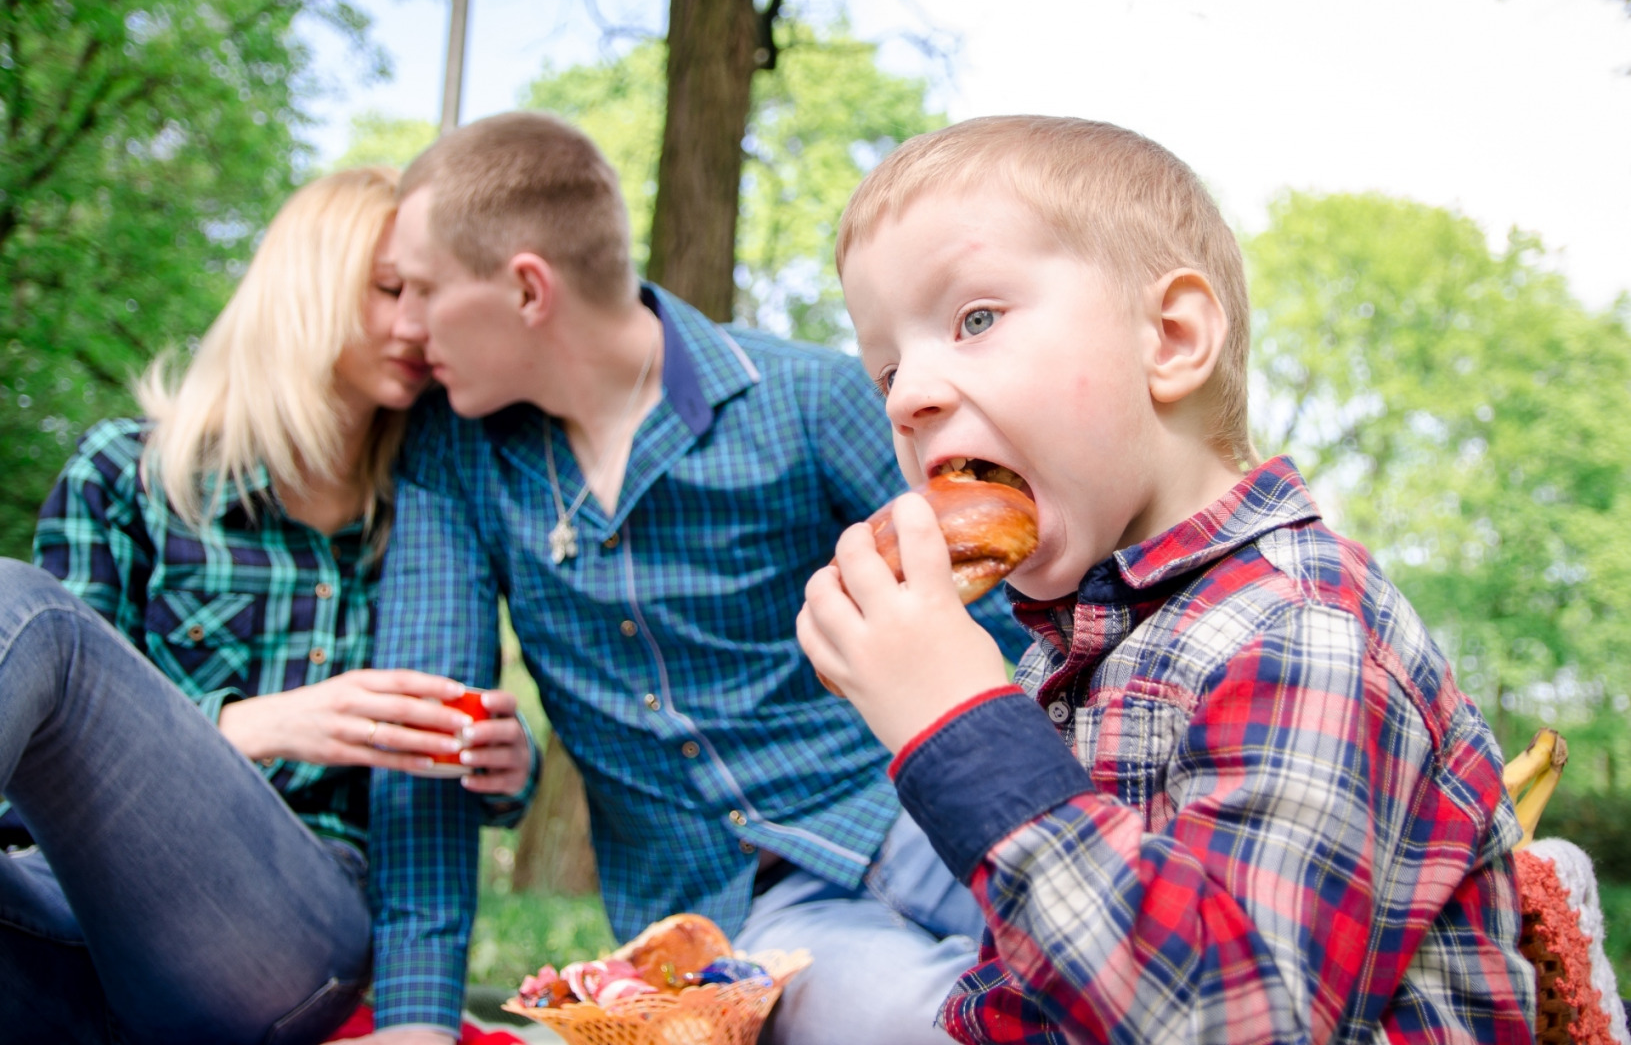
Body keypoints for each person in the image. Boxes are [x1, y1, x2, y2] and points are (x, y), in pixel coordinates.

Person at [797, 116, 1537, 1044]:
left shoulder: (1302, 629)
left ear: (1171, 338)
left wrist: (959, 731)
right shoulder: (1068, 656)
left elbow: (1228, 1017)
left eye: (974, 320)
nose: (907, 399)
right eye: (888, 370)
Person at [356, 111, 1029, 1045]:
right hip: (743, 928)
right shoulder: (452, 461)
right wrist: (415, 1020)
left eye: (421, 290)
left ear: (525, 290)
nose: (403, 326)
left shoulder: (806, 398)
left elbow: (1015, 625)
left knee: (1125, 968)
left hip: (917, 810)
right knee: (941, 1030)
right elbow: (431, 737)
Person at [1, 167, 532, 1045]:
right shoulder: (125, 475)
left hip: (293, 928)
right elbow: (30, 786)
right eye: (391, 290)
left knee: (30, 611)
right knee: (28, 616)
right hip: (67, 912)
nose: (417, 325)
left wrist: (511, 773)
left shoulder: (430, 522)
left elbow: (434, 803)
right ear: (307, 288)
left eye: (432, 299)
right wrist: (262, 724)